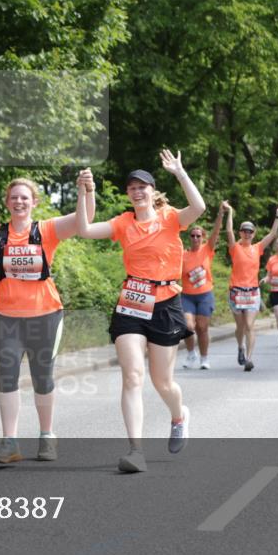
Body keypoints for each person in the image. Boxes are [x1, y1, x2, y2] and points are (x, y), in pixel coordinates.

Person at [0, 175, 94, 464]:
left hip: (46, 315)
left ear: (34, 202)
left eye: (25, 197)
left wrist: (85, 189)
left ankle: (47, 436)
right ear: (7, 202)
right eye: (14, 197)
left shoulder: (47, 229)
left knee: (42, 377)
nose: (19, 201)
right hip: (7, 318)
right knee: (7, 377)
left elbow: (83, 219)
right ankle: (10, 442)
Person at [76, 150, 205, 473]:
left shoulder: (171, 217)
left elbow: (199, 208)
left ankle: (179, 415)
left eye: (142, 186)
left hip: (166, 301)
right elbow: (85, 230)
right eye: (132, 187)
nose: (137, 191)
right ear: (128, 194)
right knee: (132, 375)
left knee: (163, 382)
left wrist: (180, 172)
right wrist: (84, 193)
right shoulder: (123, 223)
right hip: (133, 300)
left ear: (152, 190)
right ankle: (135, 450)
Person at [222, 202, 278, 372]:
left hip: (252, 292)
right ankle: (240, 346)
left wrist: (277, 214)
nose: (247, 233)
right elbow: (228, 232)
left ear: (254, 234)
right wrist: (230, 212)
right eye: (244, 231)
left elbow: (272, 233)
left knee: (249, 326)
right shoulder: (235, 248)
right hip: (236, 291)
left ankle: (249, 358)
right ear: (240, 232)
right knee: (240, 327)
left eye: (250, 231)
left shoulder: (258, 248)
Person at [180, 204, 224, 370]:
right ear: (189, 238)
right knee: (188, 326)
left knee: (202, 327)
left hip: (205, 294)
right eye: (193, 235)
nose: (195, 238)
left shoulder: (207, 250)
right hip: (187, 296)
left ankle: (204, 358)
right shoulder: (183, 255)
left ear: (203, 238)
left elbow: (216, 232)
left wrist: (220, 213)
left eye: (198, 236)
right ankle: (191, 354)